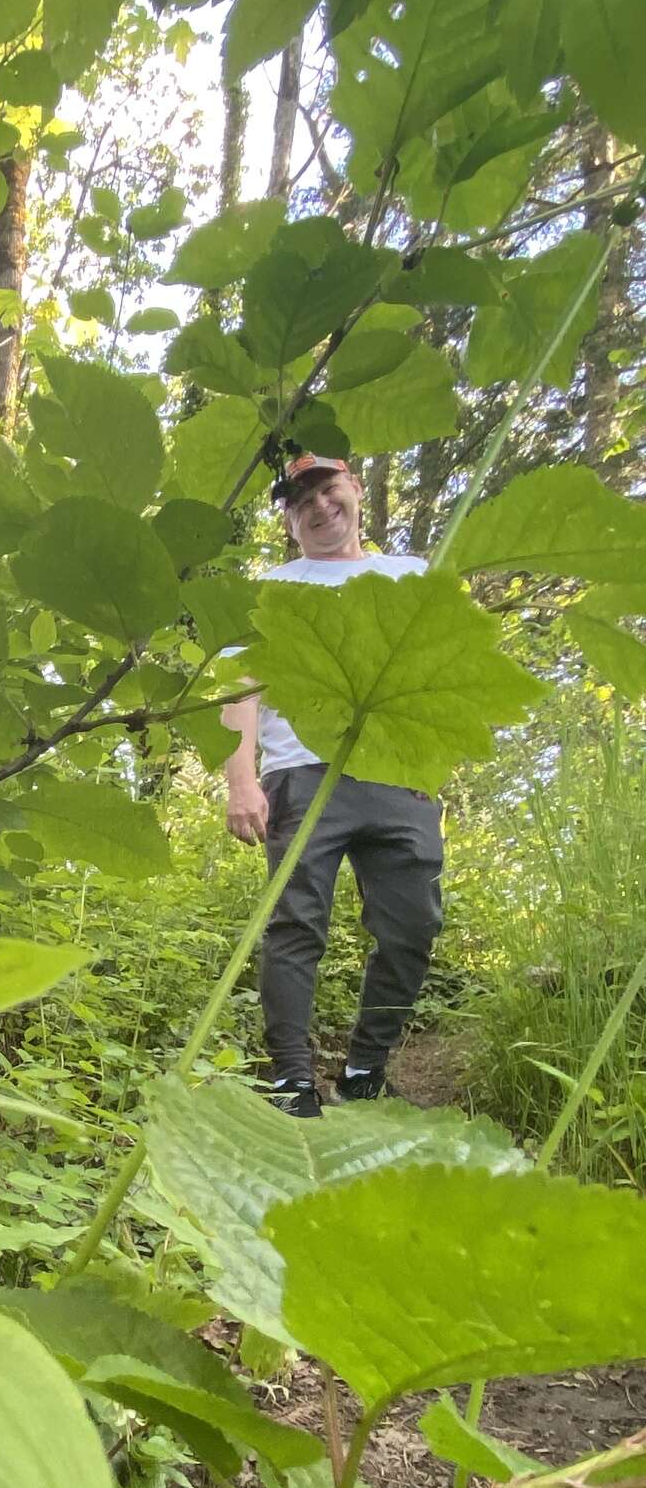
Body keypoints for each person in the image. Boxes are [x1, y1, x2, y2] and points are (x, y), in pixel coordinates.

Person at [219, 451, 443, 1119]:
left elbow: (429, 679)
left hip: (396, 776)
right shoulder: (269, 590)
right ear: (289, 521)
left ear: (354, 493)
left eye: (327, 489)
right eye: (301, 500)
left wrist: (429, 766)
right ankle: (291, 1081)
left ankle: (365, 1070)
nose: (318, 506)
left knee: (413, 924)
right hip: (299, 771)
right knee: (295, 925)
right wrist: (241, 782)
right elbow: (239, 694)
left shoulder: (409, 576)